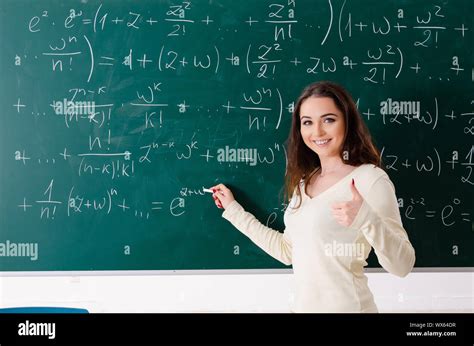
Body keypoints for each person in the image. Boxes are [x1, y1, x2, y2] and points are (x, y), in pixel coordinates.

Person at [210, 81, 416, 313]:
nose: (317, 132)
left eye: (328, 119)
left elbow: (403, 266)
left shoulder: (370, 179)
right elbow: (287, 251)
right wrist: (234, 210)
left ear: (347, 122)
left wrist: (367, 218)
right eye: (307, 122)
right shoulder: (303, 184)